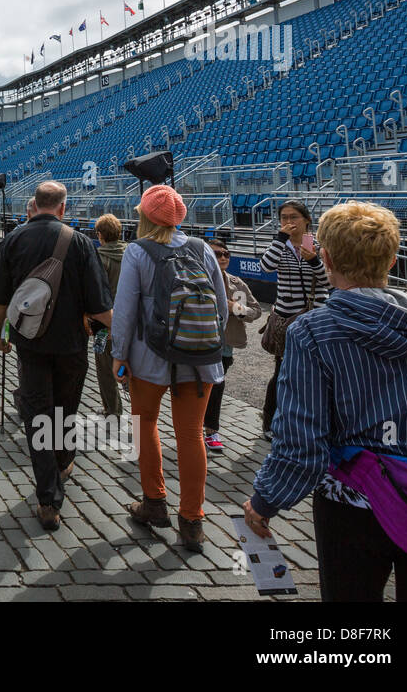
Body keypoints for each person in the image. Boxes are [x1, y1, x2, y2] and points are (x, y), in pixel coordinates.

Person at [244, 201, 407, 601]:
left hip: (350, 504)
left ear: (327, 258)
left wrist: (265, 501)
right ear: (392, 258)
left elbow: (301, 443)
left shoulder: (313, 332)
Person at [0, 181, 113, 531]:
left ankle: (48, 501)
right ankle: (63, 462)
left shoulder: (13, 239)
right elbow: (101, 306)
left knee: (38, 417)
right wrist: (120, 336)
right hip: (72, 346)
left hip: (31, 345)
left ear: (36, 204)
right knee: (66, 411)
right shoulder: (81, 242)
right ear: (62, 207)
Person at [110, 185, 228, 553]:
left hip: (150, 357)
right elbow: (221, 308)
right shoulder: (203, 248)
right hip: (198, 358)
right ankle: (192, 520)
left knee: (145, 423)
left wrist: (118, 355)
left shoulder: (137, 251)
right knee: (192, 433)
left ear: (145, 215)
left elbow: (125, 311)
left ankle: (154, 501)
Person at [258, 199, 330, 439]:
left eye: (293, 217)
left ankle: (306, 422)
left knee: (314, 372)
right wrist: (279, 239)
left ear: (306, 220)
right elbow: (266, 267)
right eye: (284, 218)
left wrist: (313, 260)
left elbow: (328, 282)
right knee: (282, 371)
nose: (288, 222)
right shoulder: (280, 245)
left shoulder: (318, 246)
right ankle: (270, 422)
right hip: (287, 318)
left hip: (314, 315)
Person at [203, 238, 262, 455]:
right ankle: (202, 429)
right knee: (202, 387)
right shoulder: (197, 280)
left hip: (225, 346)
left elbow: (256, 312)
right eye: (217, 254)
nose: (223, 258)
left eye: (226, 254)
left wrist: (236, 308)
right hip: (198, 343)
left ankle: (209, 430)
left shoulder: (236, 284)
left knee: (216, 386)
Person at [90, 214, 126, 418]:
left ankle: (112, 409)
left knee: (104, 367)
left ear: (100, 235)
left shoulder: (98, 257)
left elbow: (95, 294)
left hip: (103, 323)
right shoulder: (132, 253)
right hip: (130, 321)